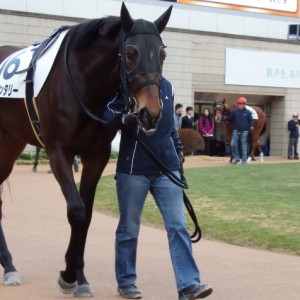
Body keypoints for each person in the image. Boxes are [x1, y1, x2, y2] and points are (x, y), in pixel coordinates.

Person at [102, 77, 213, 300]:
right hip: (133, 169)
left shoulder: (168, 86)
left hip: (167, 167)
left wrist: (178, 153)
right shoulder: (123, 84)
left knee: (178, 225)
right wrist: (128, 118)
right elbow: (107, 116)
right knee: (129, 228)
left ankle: (188, 285)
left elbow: (170, 124)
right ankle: (126, 282)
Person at [223, 97, 254, 164]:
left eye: (242, 104)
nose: (241, 105)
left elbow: (251, 121)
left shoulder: (248, 112)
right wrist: (224, 118)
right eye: (239, 104)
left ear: (244, 104)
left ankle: (244, 160)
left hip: (245, 132)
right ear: (238, 104)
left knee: (243, 146)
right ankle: (236, 158)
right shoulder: (234, 111)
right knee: (233, 144)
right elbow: (230, 118)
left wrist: (251, 127)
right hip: (236, 131)